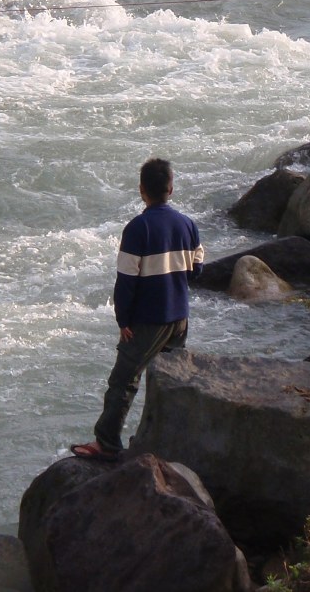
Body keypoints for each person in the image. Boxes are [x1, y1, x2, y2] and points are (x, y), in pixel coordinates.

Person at [71, 158, 204, 462]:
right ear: (170, 188)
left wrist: (123, 320)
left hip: (147, 320)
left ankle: (106, 443)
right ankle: (163, 439)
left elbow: (126, 283)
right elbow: (196, 271)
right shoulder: (188, 224)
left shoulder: (137, 228)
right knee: (168, 381)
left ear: (142, 190)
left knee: (123, 381)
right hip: (179, 317)